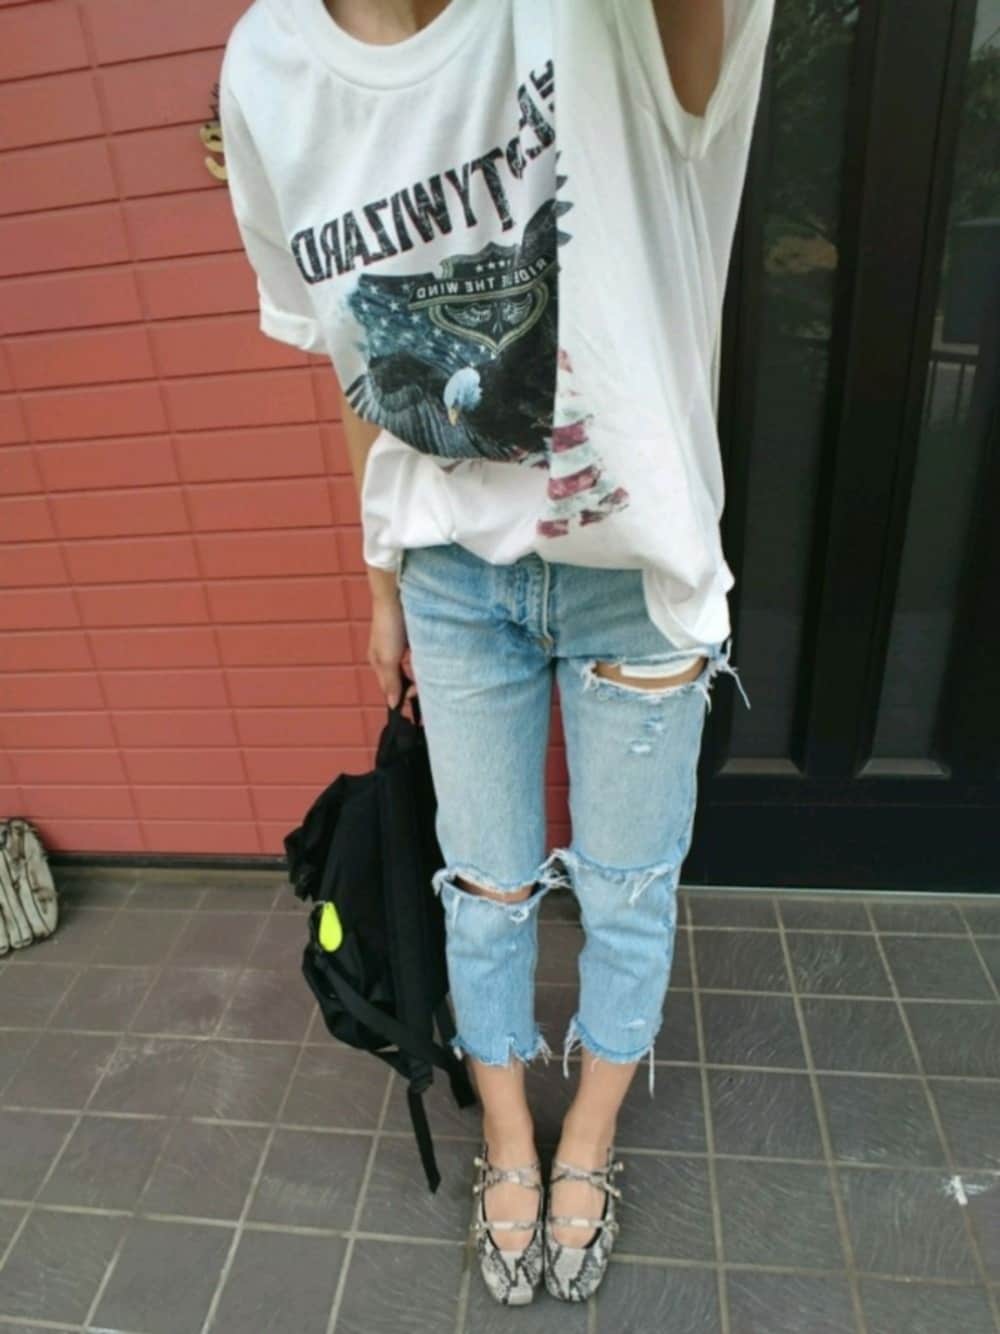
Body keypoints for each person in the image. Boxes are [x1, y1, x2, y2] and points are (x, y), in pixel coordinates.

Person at [220, 0, 770, 1306]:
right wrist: (381, 583)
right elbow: (357, 361)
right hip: (452, 577)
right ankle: (512, 1137)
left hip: (633, 567)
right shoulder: (269, 69)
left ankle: (590, 1137)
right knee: (485, 890)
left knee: (628, 890)